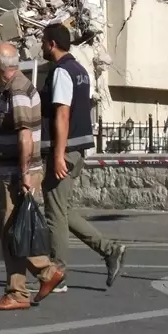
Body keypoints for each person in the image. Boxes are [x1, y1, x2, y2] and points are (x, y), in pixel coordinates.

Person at [39, 22, 127, 288]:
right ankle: (110, 250)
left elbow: (62, 114)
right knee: (63, 210)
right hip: (77, 150)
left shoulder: (62, 72)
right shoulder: (80, 71)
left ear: (52, 44)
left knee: (54, 214)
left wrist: (57, 154)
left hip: (64, 152)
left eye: (43, 41)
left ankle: (57, 275)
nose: (41, 46)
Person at [0, 41, 65, 311]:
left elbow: (25, 135)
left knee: (10, 232)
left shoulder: (17, 91)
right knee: (15, 231)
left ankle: (45, 272)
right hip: (19, 172)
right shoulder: (19, 86)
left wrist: (24, 174)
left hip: (18, 174)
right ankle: (17, 292)